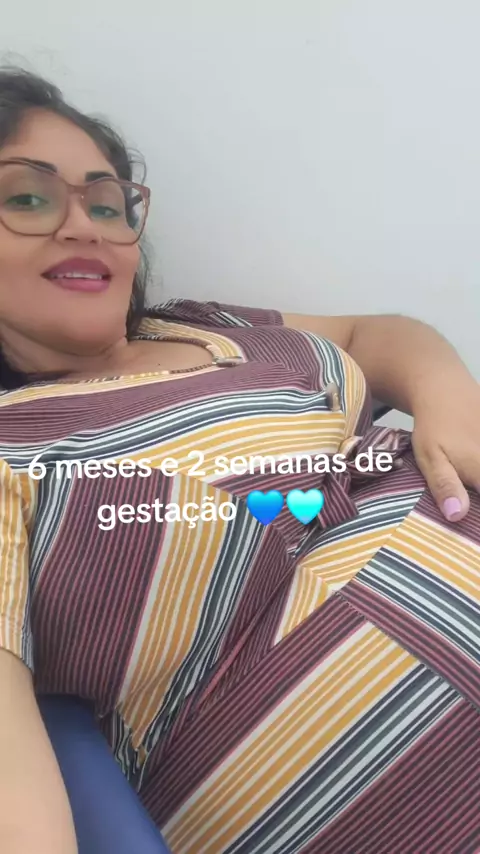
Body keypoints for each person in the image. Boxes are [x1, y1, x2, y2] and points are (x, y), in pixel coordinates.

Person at [0, 66, 478, 854]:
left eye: (107, 203)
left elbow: (376, 334)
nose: (85, 225)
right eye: (28, 198)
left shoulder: (202, 325)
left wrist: (453, 403)